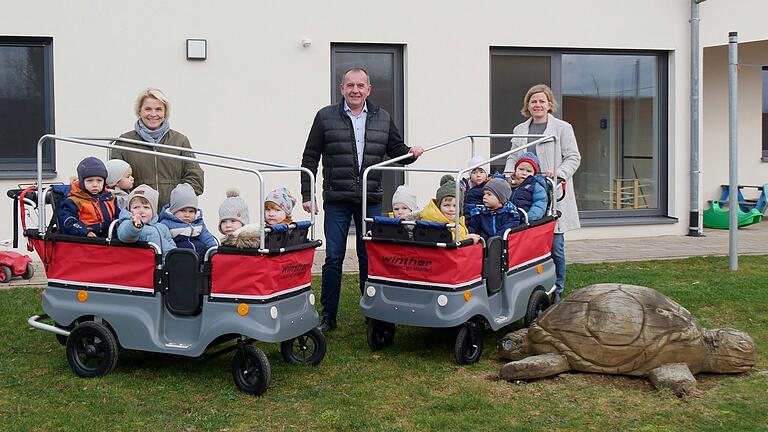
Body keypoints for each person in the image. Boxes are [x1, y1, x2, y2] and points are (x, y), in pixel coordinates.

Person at [301, 67, 425, 332]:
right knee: (334, 257)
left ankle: (372, 311)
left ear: (369, 89)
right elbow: (310, 157)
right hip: (336, 198)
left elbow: (396, 150)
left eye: (360, 86)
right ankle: (328, 317)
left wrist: (412, 153)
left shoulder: (382, 117)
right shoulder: (325, 117)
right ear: (341, 88)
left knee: (369, 255)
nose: (355, 90)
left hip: (370, 198)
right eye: (350, 86)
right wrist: (306, 193)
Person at [504, 84, 581, 304]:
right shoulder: (520, 129)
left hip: (552, 193)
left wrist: (558, 174)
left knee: (555, 245)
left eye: (541, 101)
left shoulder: (562, 128)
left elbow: (573, 157)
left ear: (549, 104)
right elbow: (512, 157)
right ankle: (531, 289)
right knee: (527, 244)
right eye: (533, 101)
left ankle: (558, 287)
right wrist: (509, 176)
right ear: (527, 105)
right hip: (524, 194)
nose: (537, 105)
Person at [110, 88, 204, 208]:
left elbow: (196, 177)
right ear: (139, 111)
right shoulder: (124, 142)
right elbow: (114, 180)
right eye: (148, 109)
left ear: (165, 113)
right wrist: (137, 203)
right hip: (139, 215)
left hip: (173, 215)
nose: (153, 114)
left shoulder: (180, 141)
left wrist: (178, 201)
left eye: (159, 109)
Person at [59, 157, 116, 237]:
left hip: (109, 238)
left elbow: (119, 216)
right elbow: (68, 221)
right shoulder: (73, 200)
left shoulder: (110, 197)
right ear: (82, 182)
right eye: (90, 181)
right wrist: (85, 231)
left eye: (99, 180)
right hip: (85, 241)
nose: (95, 184)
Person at [158, 183, 217, 261]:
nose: (187, 215)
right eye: (182, 211)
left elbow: (208, 238)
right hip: (180, 259)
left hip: (201, 259)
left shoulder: (198, 223)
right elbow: (165, 242)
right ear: (173, 211)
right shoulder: (167, 223)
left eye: (191, 211)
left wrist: (214, 251)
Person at [117, 184, 176, 257]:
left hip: (164, 264)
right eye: (136, 207)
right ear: (129, 210)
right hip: (144, 264)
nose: (141, 211)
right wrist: (134, 226)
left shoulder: (161, 227)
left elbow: (170, 244)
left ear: (153, 210)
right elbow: (125, 236)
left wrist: (174, 257)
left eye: (146, 207)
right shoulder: (127, 223)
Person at [418, 175, 470, 241]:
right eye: (446, 205)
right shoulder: (433, 223)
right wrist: (467, 238)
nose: (451, 209)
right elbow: (449, 241)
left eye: (455, 206)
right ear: (438, 206)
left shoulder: (455, 221)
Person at [467, 177, 521, 242]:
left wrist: (493, 242)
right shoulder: (479, 214)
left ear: (501, 199)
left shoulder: (511, 214)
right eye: (484, 194)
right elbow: (473, 229)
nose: (484, 197)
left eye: (489, 194)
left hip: (502, 247)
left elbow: (506, 231)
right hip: (483, 247)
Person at [509, 152, 548, 222]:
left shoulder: (536, 185)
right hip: (507, 216)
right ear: (515, 169)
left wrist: (530, 216)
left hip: (525, 218)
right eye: (521, 169)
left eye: (529, 171)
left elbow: (540, 202)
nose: (524, 173)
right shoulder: (509, 182)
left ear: (534, 173)